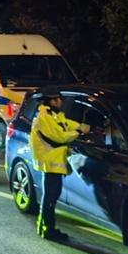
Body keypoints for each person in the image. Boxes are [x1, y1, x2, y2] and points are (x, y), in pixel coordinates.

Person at [30, 89, 90, 241]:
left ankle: (44, 226)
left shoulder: (54, 115)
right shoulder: (44, 117)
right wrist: (79, 132)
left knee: (51, 196)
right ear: (52, 101)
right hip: (50, 163)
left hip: (54, 162)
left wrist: (80, 126)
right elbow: (60, 137)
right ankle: (48, 230)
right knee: (50, 197)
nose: (61, 102)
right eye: (58, 99)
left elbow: (65, 124)